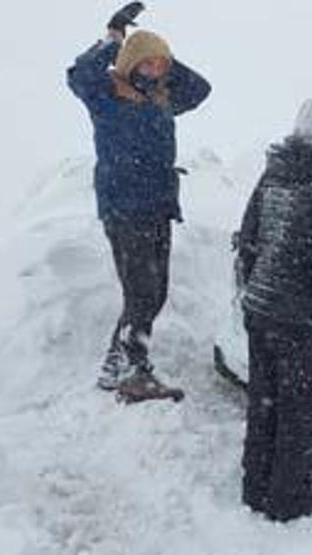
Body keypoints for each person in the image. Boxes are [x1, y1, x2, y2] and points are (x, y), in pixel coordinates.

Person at [67, 3, 212, 403]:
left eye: (159, 65)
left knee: (154, 291)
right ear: (129, 65)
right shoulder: (106, 97)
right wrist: (116, 39)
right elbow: (78, 75)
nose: (154, 71)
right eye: (145, 64)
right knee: (142, 292)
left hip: (158, 206)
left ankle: (117, 364)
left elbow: (200, 89)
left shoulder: (162, 100)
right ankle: (134, 372)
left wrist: (160, 54)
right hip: (124, 207)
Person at [235, 97, 312, 522]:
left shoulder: (274, 172)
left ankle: (255, 488)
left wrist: (254, 290)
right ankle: (290, 500)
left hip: (261, 310)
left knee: (264, 404)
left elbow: (247, 240)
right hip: (301, 321)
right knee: (299, 412)